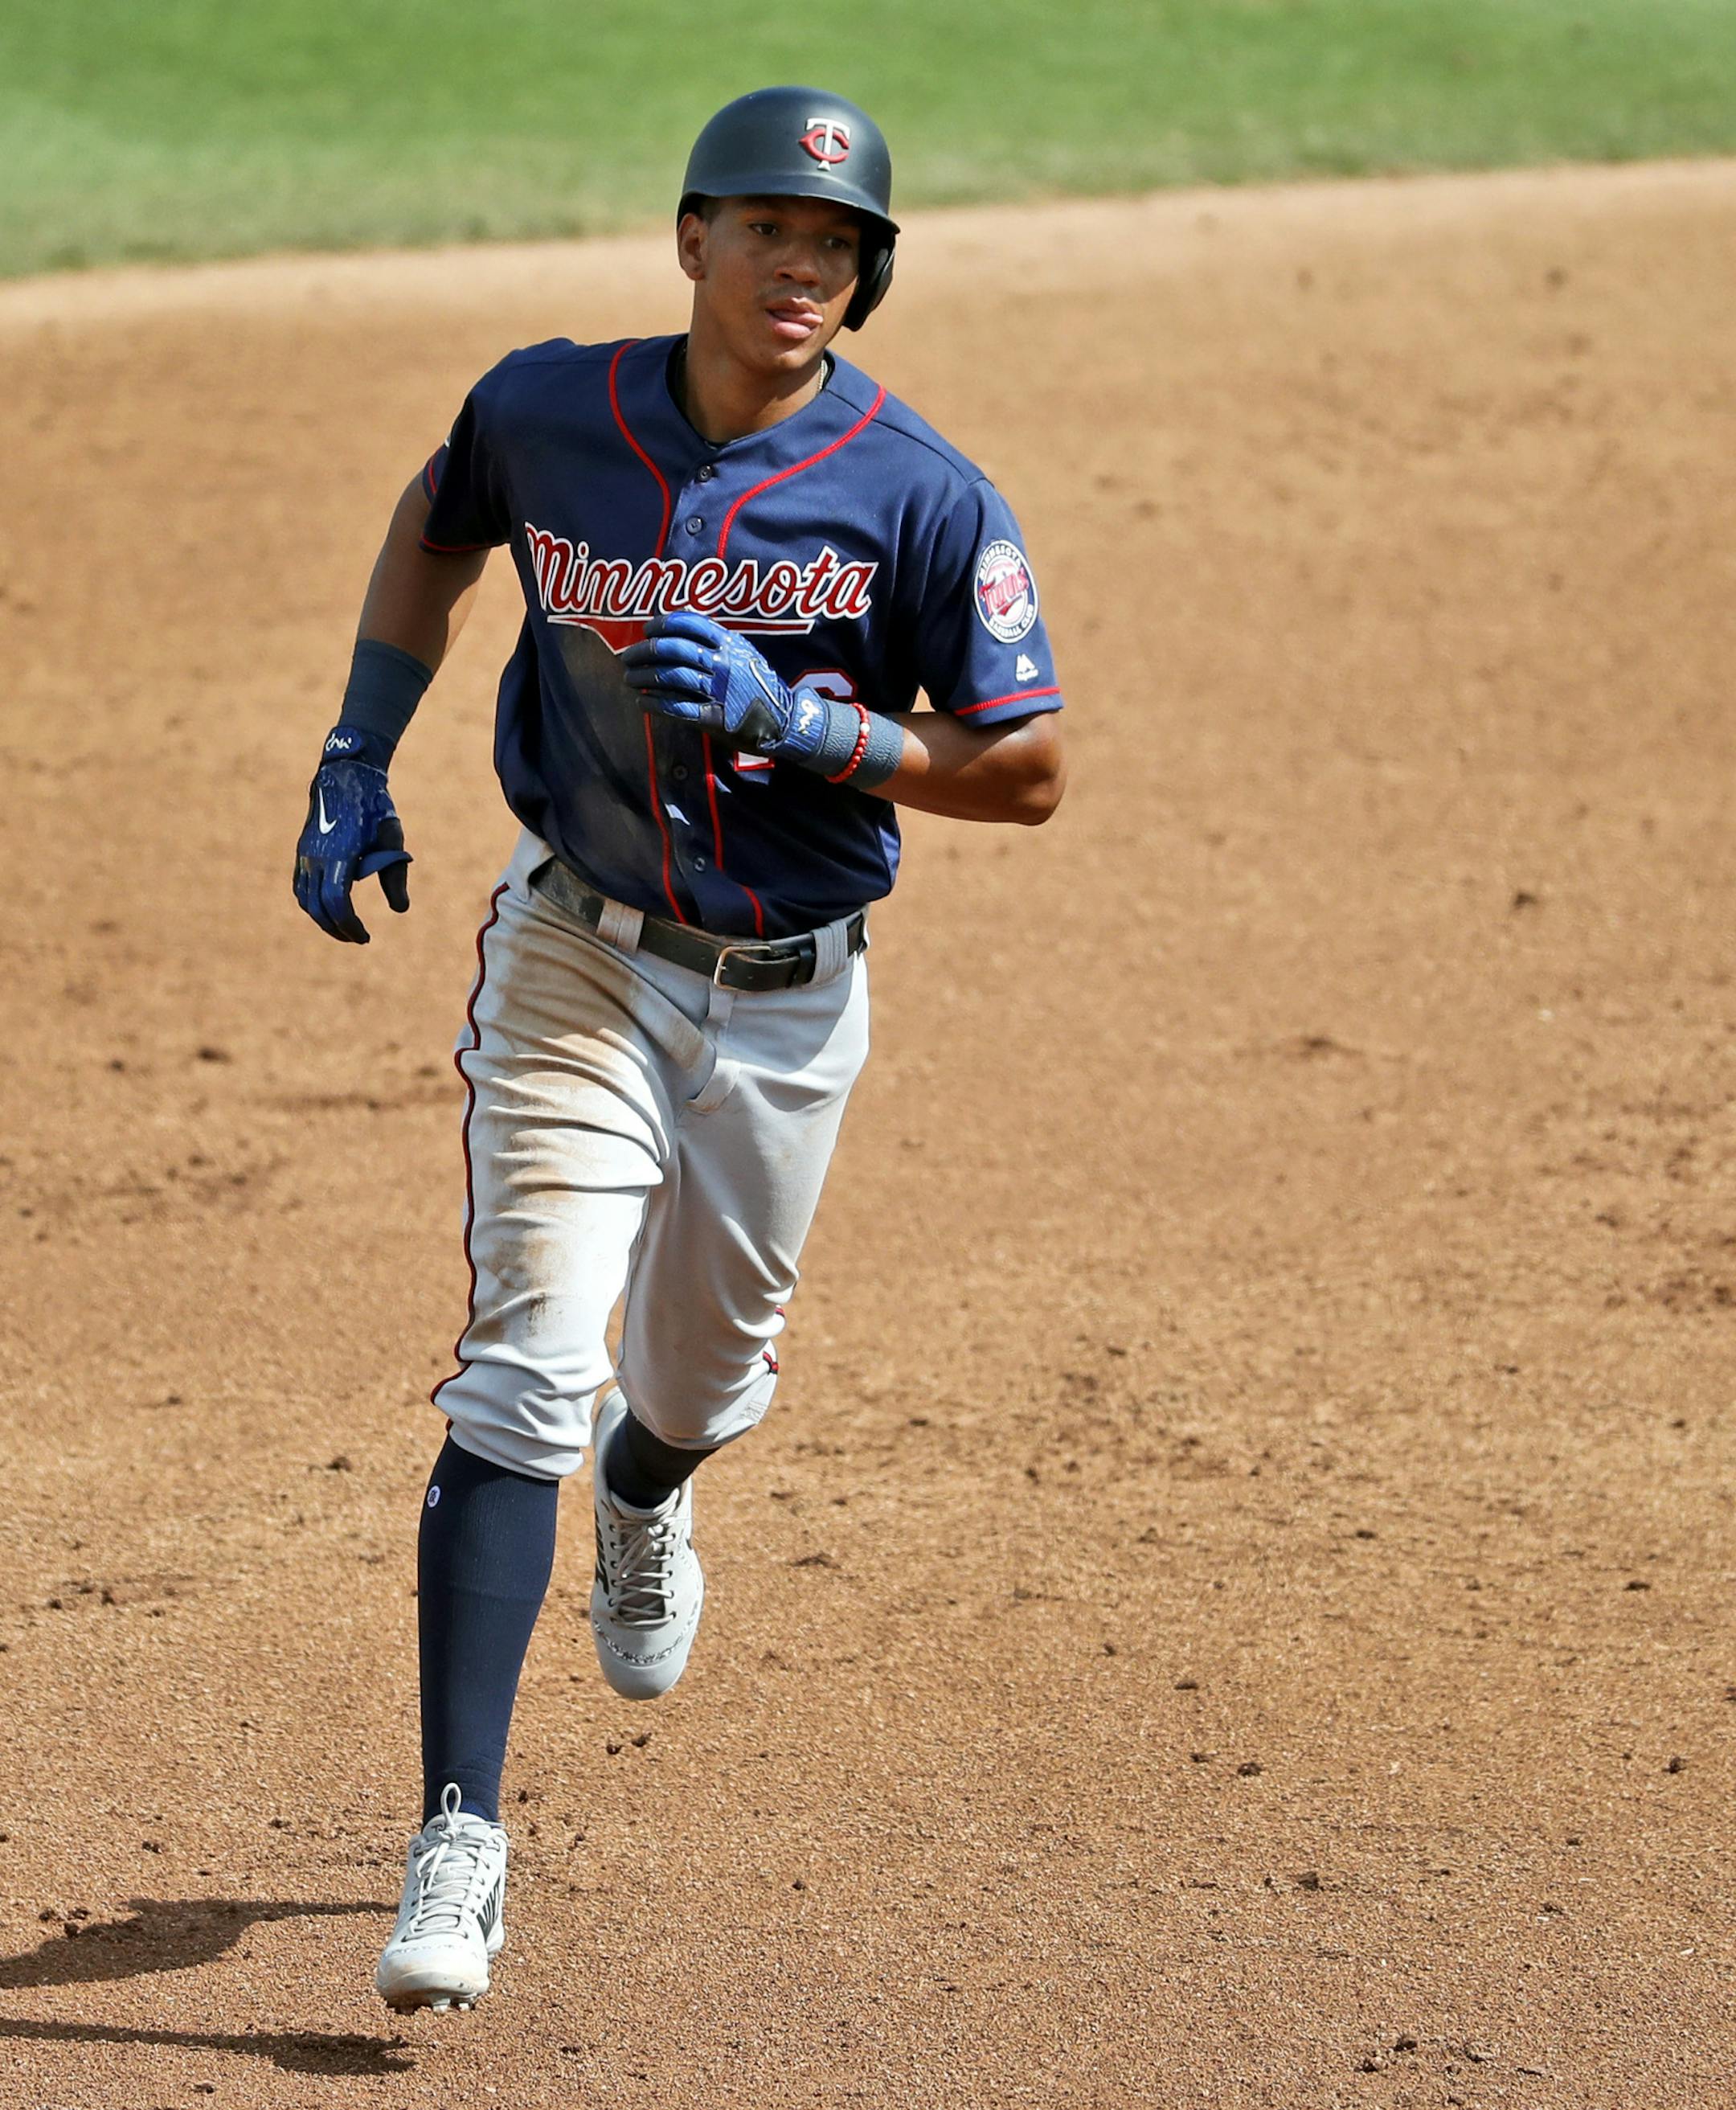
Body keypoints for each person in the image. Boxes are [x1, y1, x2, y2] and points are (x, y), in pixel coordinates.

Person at [293, 84, 1067, 2012]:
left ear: (861, 276)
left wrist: (822, 732)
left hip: (796, 996)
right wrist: (352, 753)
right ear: (690, 240)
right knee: (524, 1369)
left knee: (702, 1374)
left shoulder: (918, 493)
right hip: (579, 956)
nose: (803, 267)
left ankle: (655, 1487)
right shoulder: (553, 412)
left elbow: (1030, 768)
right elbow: (434, 524)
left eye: (838, 246)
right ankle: (459, 1828)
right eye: (769, 230)